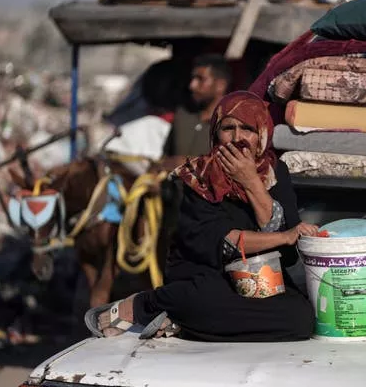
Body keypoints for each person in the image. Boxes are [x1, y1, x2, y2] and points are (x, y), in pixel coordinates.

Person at [85, 91, 318, 342]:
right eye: (228, 128)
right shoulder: (198, 178)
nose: (238, 138)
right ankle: (146, 304)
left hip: (260, 280)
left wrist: (252, 184)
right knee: (205, 298)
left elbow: (290, 254)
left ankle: (182, 322)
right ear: (216, 132)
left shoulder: (276, 172)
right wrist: (284, 237)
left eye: (247, 128)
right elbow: (223, 243)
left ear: (261, 132)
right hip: (207, 279)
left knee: (300, 319)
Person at [162, 54, 232, 170]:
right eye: (193, 79)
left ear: (220, 85)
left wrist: (189, 163)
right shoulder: (182, 115)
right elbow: (166, 156)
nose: (192, 85)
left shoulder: (231, 124)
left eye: (200, 79)